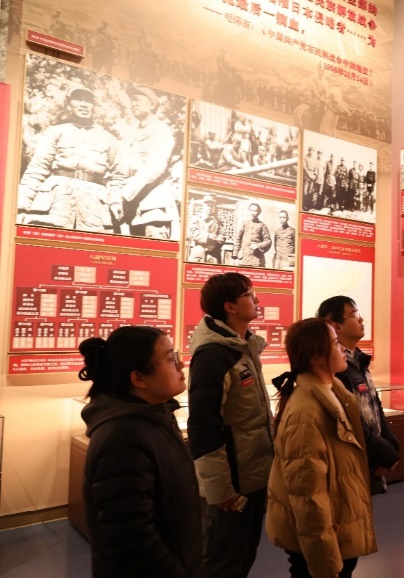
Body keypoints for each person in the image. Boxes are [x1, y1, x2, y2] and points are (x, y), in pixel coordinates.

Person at [79, 326, 201, 577]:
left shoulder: (157, 419)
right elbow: (132, 542)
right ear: (139, 379)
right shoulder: (122, 440)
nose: (181, 365)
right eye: (170, 359)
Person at [267, 318, 377, 578]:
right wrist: (324, 563)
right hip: (322, 538)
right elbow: (308, 497)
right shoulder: (306, 413)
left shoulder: (333, 392)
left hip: (337, 525)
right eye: (336, 343)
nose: (342, 349)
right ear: (316, 358)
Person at [187, 273, 273, 577]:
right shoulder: (213, 355)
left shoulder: (242, 346)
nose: (257, 299)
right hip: (232, 481)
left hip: (252, 472)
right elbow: (203, 425)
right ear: (230, 307)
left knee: (244, 554)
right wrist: (220, 487)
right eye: (249, 294)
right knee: (223, 560)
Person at [318, 296, 400, 495]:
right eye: (354, 315)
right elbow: (349, 423)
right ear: (336, 326)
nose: (361, 319)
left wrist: (391, 446)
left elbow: (375, 406)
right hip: (352, 462)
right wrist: (384, 453)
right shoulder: (336, 368)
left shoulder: (358, 361)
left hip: (370, 458)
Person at [18, 83, 124, 232]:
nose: (84, 104)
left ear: (94, 106)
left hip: (93, 207)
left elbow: (118, 177)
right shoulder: (55, 132)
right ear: (69, 104)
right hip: (56, 203)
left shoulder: (109, 139)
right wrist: (22, 205)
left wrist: (115, 200)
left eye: (88, 101)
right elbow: (37, 169)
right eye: (78, 99)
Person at [109, 85, 178, 239]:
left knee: (154, 249)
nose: (133, 104)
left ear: (152, 105)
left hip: (153, 206)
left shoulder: (161, 130)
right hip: (133, 208)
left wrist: (124, 194)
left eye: (137, 100)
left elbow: (155, 168)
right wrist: (116, 196)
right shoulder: (133, 133)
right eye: (131, 101)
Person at [232, 202, 272, 267]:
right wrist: (235, 256)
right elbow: (238, 239)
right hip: (243, 259)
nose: (253, 213)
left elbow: (268, 241)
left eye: (255, 211)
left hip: (257, 259)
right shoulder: (244, 224)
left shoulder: (262, 225)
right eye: (251, 210)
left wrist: (258, 245)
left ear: (259, 212)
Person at [188, 194, 225, 264]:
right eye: (207, 205)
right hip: (199, 252)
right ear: (203, 206)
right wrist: (208, 236)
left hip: (213, 254)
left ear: (214, 208)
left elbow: (223, 236)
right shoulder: (196, 219)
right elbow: (193, 233)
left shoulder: (219, 222)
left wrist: (216, 242)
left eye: (212, 206)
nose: (210, 208)